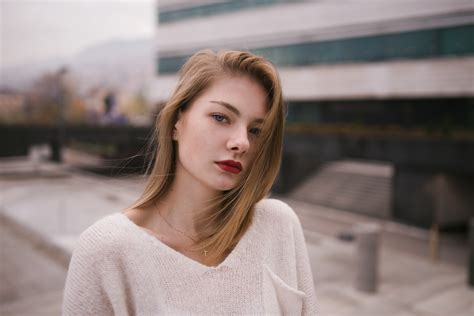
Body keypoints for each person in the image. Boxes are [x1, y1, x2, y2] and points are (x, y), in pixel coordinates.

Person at [62, 49, 318, 315]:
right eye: (221, 117)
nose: (242, 142)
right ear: (176, 122)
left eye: (255, 130)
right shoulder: (107, 250)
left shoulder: (277, 225)